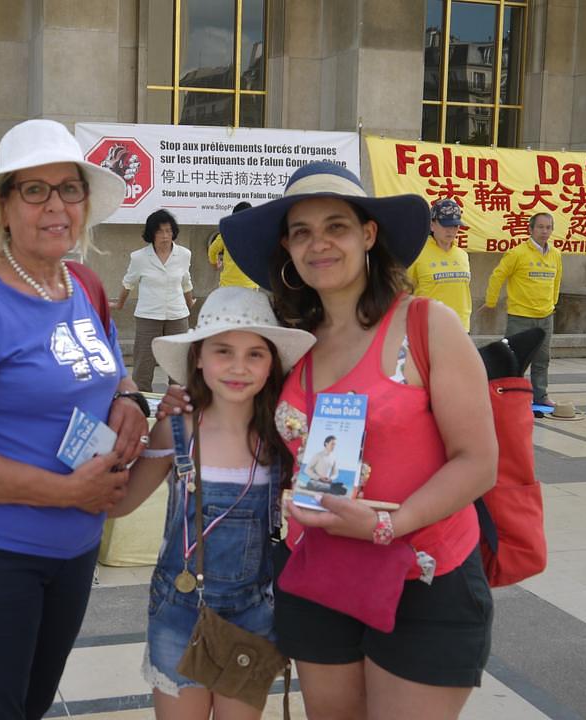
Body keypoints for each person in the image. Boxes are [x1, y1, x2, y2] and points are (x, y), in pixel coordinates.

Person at [162, 161, 497, 719]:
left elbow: (479, 462)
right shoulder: (292, 343)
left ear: (368, 235)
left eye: (336, 226)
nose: (319, 243)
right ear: (287, 250)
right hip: (320, 574)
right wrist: (178, 407)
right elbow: (244, 422)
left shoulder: (426, 324)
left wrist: (388, 523)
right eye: (302, 232)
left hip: (423, 575)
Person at [0, 118, 149, 720]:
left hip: (70, 557)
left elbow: (111, 369)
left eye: (69, 189)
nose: (56, 206)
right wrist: (68, 491)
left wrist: (130, 399)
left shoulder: (83, 284)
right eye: (34, 191)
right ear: (4, 206)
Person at [110, 287, 315, 719]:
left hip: (254, 614)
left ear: (271, 365)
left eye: (255, 355)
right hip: (177, 611)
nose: (239, 367)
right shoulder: (176, 429)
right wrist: (91, 468)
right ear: (198, 358)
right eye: (223, 351)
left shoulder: (285, 437)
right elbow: (121, 503)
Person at [483, 213, 562, 407]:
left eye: (548, 227)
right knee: (514, 359)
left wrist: (552, 303)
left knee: (542, 359)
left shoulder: (555, 254)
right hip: (520, 317)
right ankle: (508, 395)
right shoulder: (517, 253)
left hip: (545, 316)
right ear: (531, 229)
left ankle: (540, 395)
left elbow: (557, 280)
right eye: (540, 227)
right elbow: (497, 275)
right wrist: (491, 302)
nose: (544, 231)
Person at [111, 209, 195, 391]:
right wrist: (119, 304)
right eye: (160, 231)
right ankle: (141, 402)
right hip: (148, 315)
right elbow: (128, 283)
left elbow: (186, 282)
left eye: (169, 231)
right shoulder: (139, 257)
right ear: (151, 233)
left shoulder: (184, 254)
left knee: (179, 361)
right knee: (144, 362)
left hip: (177, 315)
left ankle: (178, 402)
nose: (165, 236)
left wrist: (189, 303)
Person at [408, 199, 472, 332]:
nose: (451, 231)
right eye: (445, 225)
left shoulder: (462, 255)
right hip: (429, 328)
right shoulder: (417, 254)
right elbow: (402, 292)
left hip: (461, 328)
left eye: (455, 226)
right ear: (432, 225)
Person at [206, 202, 260, 289]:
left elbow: (212, 250)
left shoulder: (226, 234)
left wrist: (215, 263)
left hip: (227, 285)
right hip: (249, 286)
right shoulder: (257, 235)